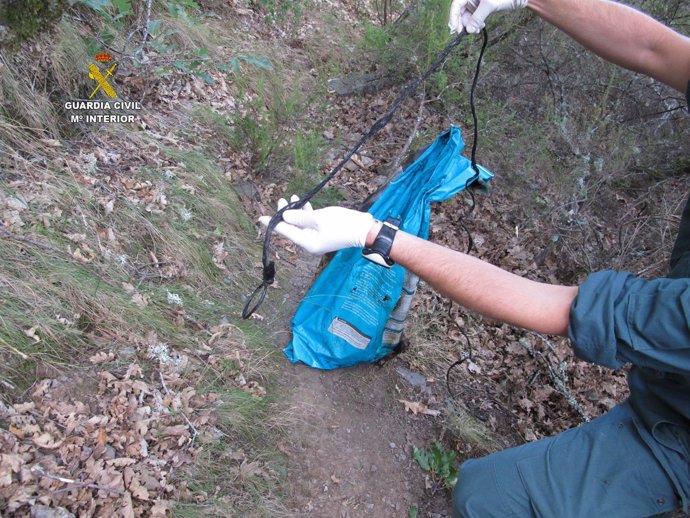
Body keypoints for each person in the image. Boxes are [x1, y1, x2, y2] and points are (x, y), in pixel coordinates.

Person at [260, 1, 690, 515]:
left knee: (494, 502)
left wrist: (372, 232)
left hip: (677, 442)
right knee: (486, 490)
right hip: (667, 394)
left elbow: (554, 308)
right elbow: (658, 48)